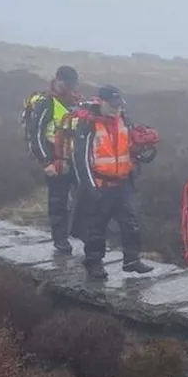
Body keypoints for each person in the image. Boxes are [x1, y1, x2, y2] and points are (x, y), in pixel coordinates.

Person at [69, 85, 155, 280]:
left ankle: (132, 260)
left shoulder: (124, 120)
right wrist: (90, 186)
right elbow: (80, 158)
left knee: (130, 223)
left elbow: (130, 148)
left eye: (118, 104)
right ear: (102, 102)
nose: (116, 108)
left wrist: (142, 151)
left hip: (123, 182)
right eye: (112, 104)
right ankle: (94, 262)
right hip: (99, 183)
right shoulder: (88, 124)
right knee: (97, 227)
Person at [26, 66, 81, 253]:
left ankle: (78, 233)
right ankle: (60, 239)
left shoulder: (76, 104)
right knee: (59, 201)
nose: (70, 87)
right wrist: (46, 162)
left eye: (73, 83)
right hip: (55, 161)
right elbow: (36, 134)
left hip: (75, 161)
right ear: (57, 81)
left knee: (84, 198)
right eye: (67, 83)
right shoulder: (47, 103)